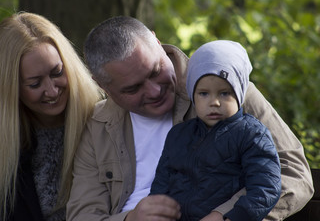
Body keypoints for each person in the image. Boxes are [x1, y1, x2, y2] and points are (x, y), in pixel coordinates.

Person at [66, 16, 314, 221]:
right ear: (103, 87)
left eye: (155, 71)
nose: (154, 91)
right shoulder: (99, 125)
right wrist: (131, 219)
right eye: (133, 89)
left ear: (156, 41)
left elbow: (294, 173)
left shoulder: (228, 94)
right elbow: (83, 214)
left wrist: (226, 215)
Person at [0, 12, 102, 221]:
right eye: (35, 84)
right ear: (10, 90)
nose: (51, 91)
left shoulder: (102, 120)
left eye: (57, 72)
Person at [150, 40, 282, 221]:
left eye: (224, 93)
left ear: (240, 93)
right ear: (192, 95)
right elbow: (162, 183)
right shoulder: (178, 135)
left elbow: (265, 187)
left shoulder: (252, 135)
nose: (214, 102)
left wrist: (232, 217)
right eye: (204, 93)